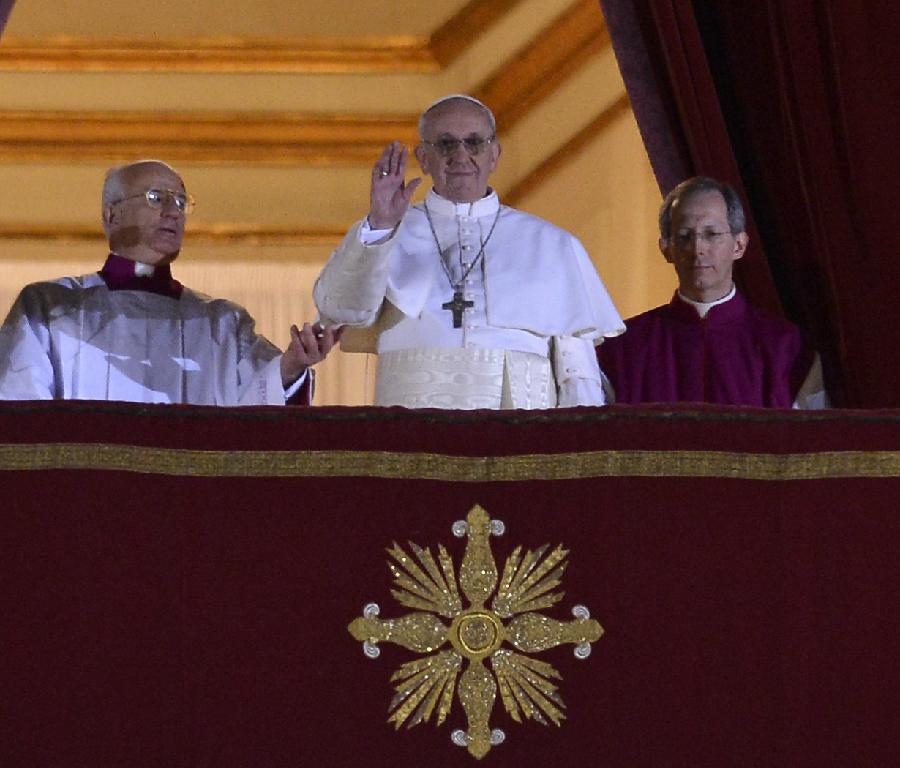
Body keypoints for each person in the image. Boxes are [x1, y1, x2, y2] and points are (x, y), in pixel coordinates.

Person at [313, 94, 623, 409]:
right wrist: (380, 223)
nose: (461, 156)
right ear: (423, 157)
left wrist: (580, 444)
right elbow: (341, 311)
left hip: (520, 428)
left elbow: (577, 373)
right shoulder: (383, 232)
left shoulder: (553, 244)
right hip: (411, 425)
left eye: (474, 143)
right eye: (446, 144)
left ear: (494, 155)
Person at [0, 160, 337, 405]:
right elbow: (22, 416)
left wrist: (292, 364)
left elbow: (257, 407)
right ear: (110, 215)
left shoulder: (221, 324)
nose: (173, 212)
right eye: (155, 198)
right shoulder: (49, 308)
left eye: (180, 202)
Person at [597, 176, 827, 408]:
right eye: (684, 235)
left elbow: (813, 438)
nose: (697, 248)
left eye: (711, 234)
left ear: (739, 245)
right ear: (666, 249)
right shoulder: (622, 350)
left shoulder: (787, 348)